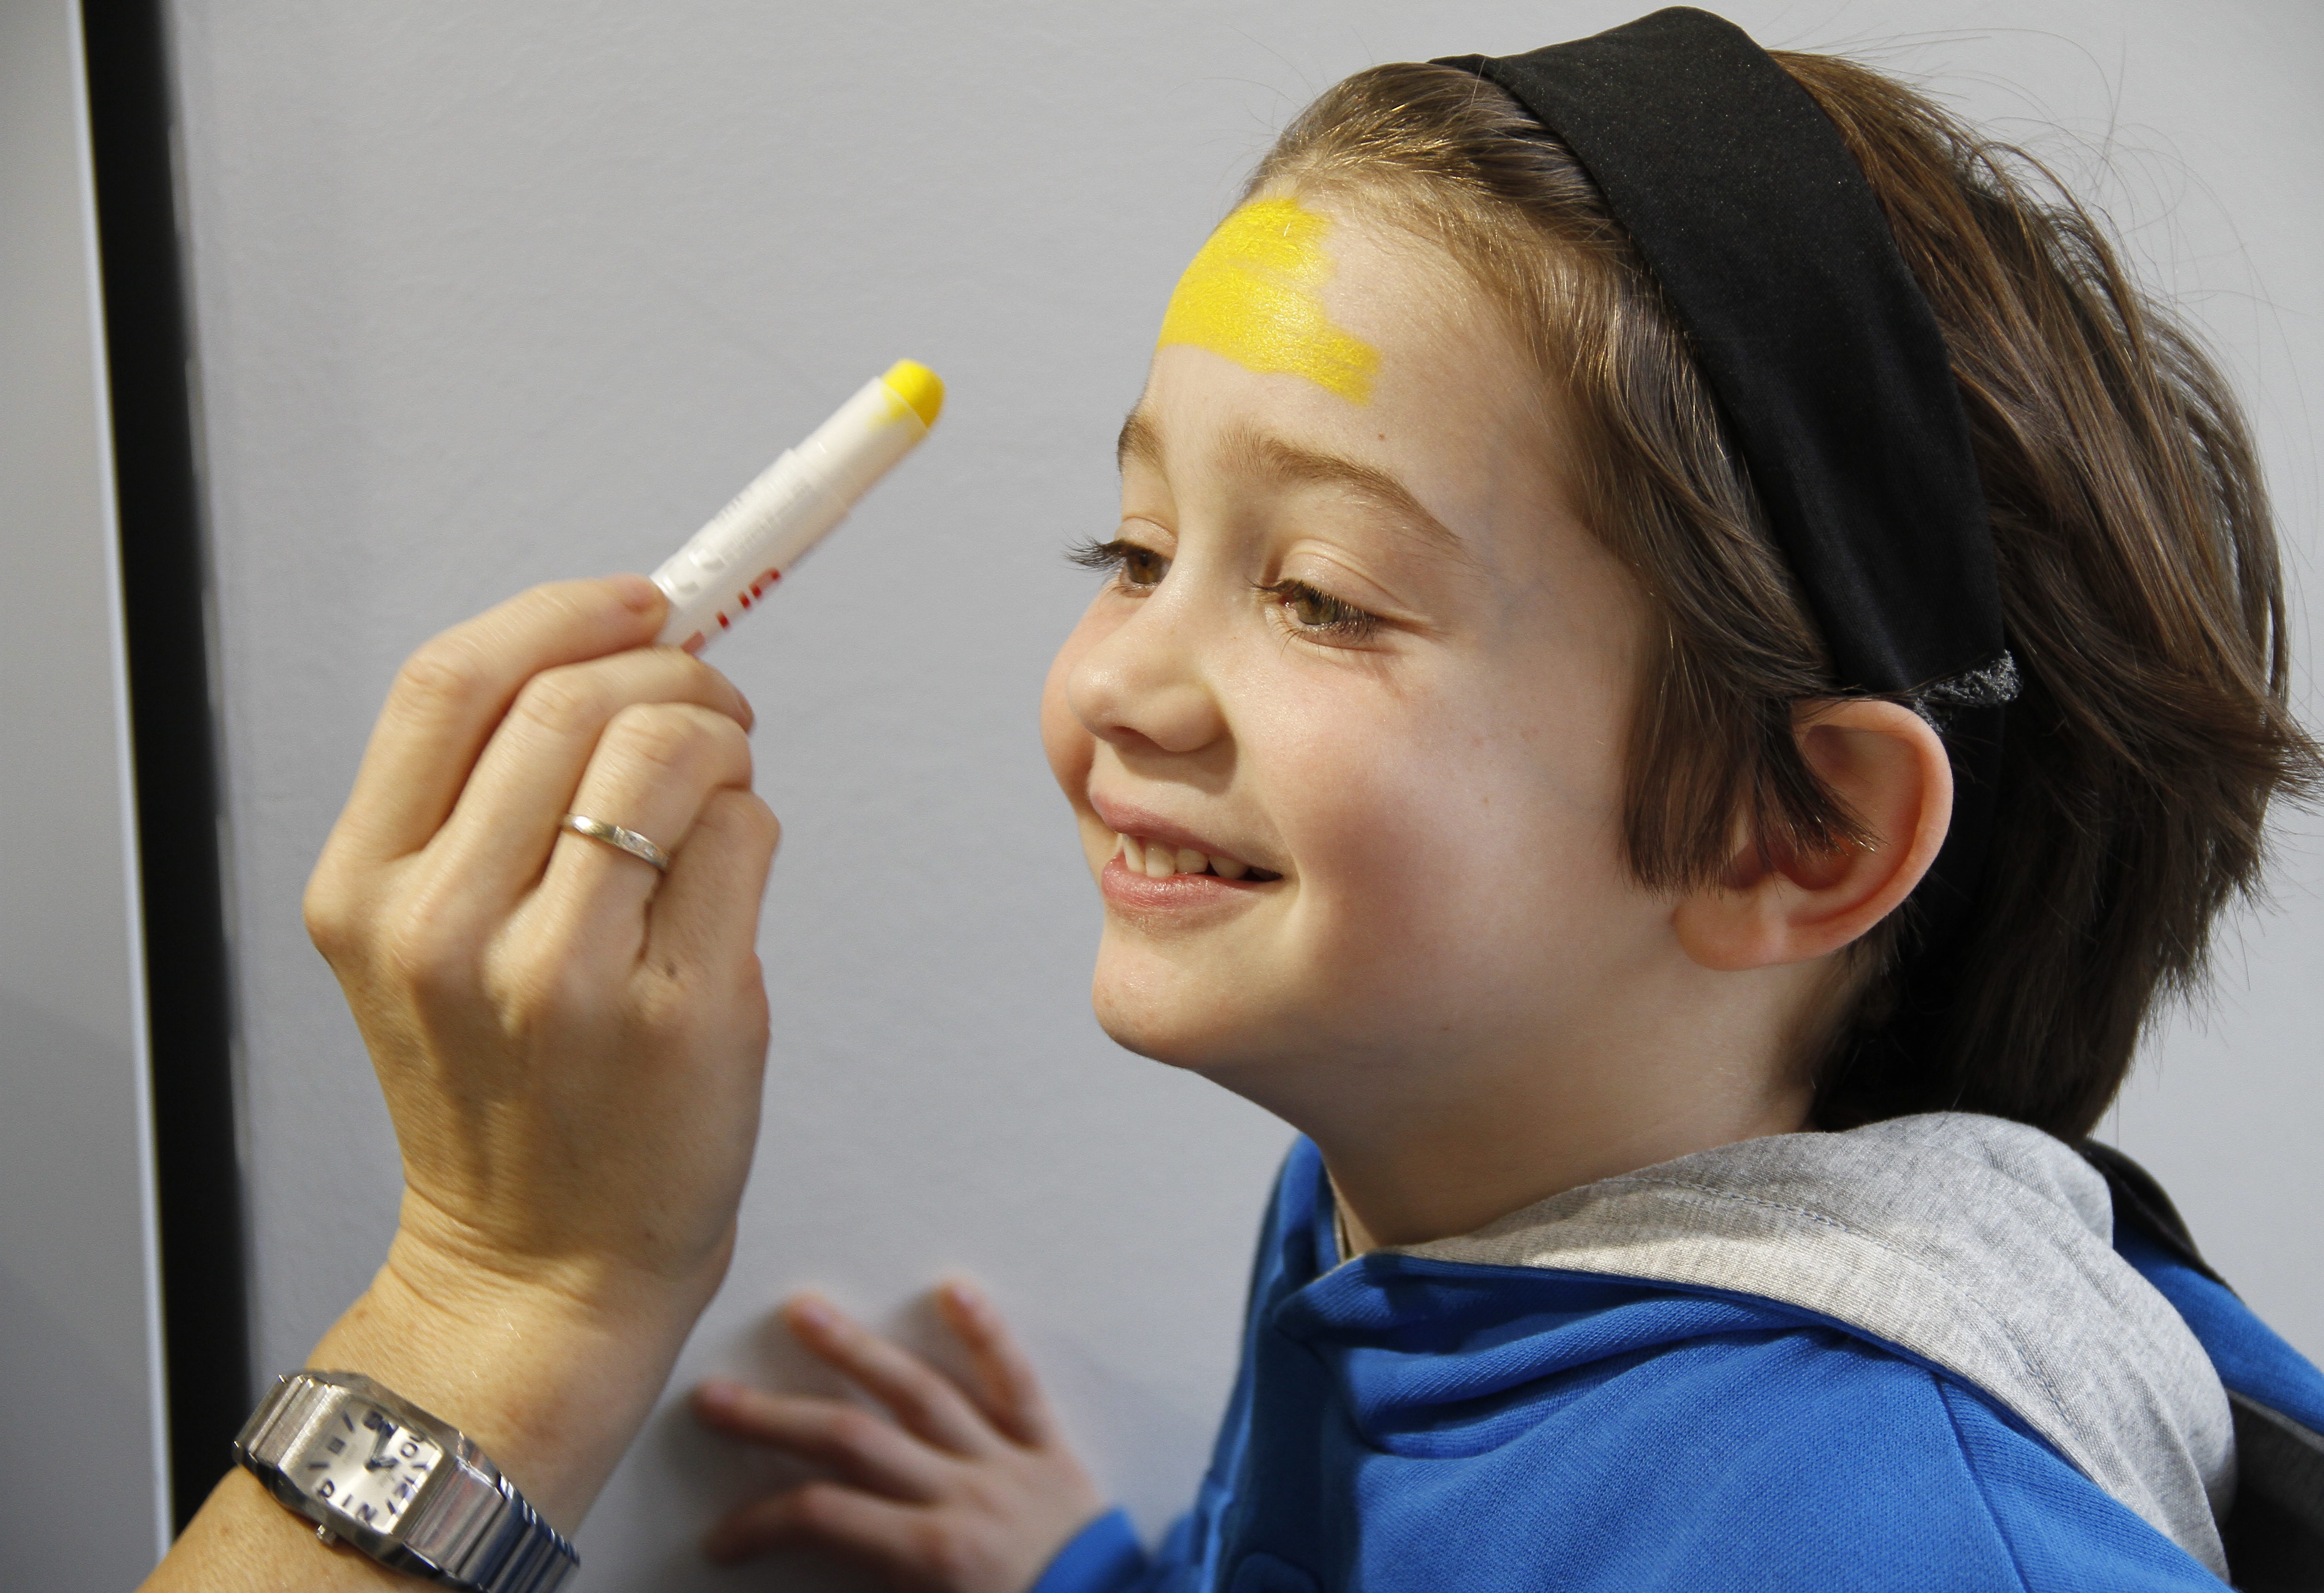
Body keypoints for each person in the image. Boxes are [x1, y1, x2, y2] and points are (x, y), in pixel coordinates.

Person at [142, 10, 2324, 1592]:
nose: (1120, 681)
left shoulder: (1876, 1538)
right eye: (1128, 550)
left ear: (1800, 832)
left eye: (1321, 595)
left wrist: (505, 1288)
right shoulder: (1422, 1198)